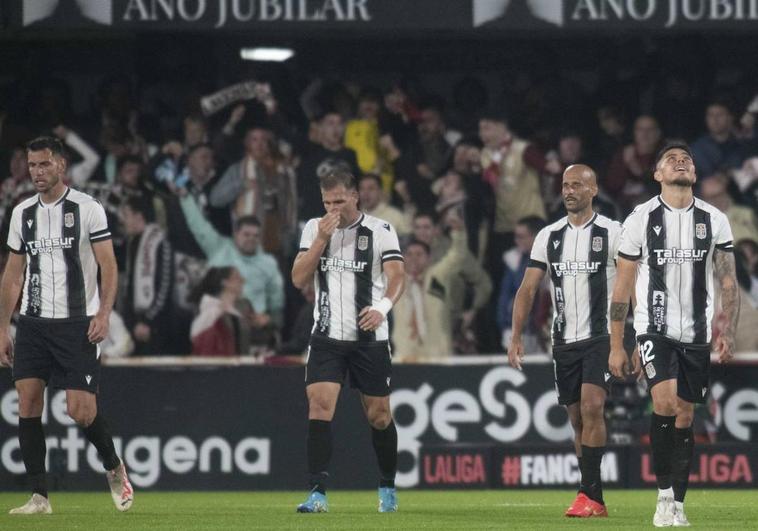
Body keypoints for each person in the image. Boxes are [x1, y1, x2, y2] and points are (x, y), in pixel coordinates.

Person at [609, 142, 739, 527]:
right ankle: (663, 496)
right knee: (664, 403)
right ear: (658, 175)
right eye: (671, 160)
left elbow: (728, 280)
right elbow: (622, 287)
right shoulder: (640, 219)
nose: (681, 162)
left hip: (697, 333)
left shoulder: (715, 219)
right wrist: (619, 343)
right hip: (655, 329)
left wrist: (727, 330)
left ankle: (678, 504)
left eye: (687, 160)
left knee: (685, 414)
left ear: (694, 174)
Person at [0, 137, 133, 514]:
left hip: (77, 323)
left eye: (44, 165)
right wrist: (1, 327)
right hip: (33, 322)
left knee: (80, 411)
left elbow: (109, 265)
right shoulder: (21, 212)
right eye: (32, 166)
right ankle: (39, 496)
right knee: (27, 401)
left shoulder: (87, 209)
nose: (37, 173)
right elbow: (12, 275)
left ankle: (113, 465)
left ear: (61, 165)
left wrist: (104, 313)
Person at [509, 164, 623, 518]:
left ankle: (586, 495)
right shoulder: (549, 235)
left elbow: (630, 284)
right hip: (563, 340)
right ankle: (595, 496)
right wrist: (516, 336)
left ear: (593, 189)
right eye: (565, 185)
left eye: (577, 185)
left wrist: (625, 338)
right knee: (576, 418)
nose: (569, 191)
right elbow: (528, 288)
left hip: (599, 335)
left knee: (592, 407)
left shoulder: (613, 232)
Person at [291, 169, 405, 513]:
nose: (333, 209)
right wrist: (321, 241)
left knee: (380, 416)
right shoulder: (314, 228)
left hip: (369, 339)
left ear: (355, 196)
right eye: (327, 203)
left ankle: (387, 486)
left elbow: (397, 276)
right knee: (319, 407)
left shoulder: (381, 231)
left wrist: (383, 307)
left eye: (339, 201)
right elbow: (299, 278)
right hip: (326, 336)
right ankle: (317, 493)